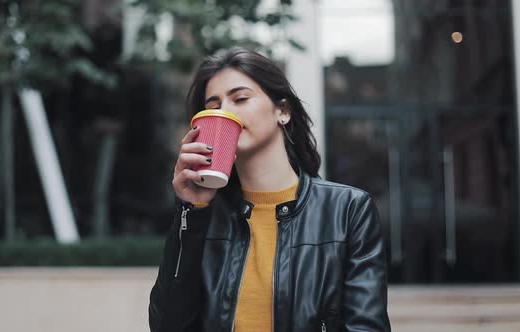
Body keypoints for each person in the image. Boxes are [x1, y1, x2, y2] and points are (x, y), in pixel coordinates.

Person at [149, 47, 391, 332]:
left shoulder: (347, 210)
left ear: (283, 111)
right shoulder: (204, 215)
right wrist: (191, 210)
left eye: (240, 98)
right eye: (213, 106)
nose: (224, 112)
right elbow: (168, 326)